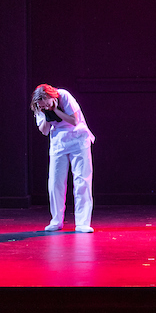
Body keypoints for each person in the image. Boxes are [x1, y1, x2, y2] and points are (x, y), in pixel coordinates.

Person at [31, 84, 96, 233]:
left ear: (52, 97)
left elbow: (74, 120)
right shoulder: (39, 107)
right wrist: (46, 115)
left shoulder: (63, 96)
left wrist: (55, 110)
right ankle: (56, 220)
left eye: (47, 104)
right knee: (55, 182)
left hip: (77, 138)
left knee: (82, 180)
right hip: (58, 142)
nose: (45, 107)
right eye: (42, 106)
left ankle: (82, 222)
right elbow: (44, 131)